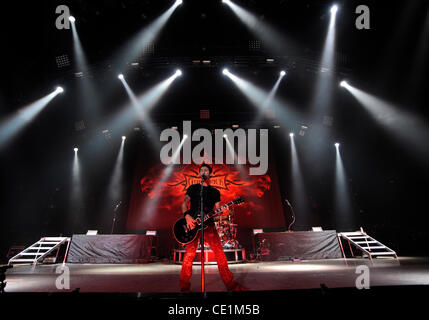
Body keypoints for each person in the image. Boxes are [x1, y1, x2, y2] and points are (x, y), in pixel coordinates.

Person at [179, 163, 246, 292]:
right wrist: (187, 216)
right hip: (192, 225)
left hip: (209, 225)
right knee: (189, 256)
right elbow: (184, 203)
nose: (204, 171)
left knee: (220, 254)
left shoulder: (215, 191)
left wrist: (225, 211)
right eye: (202, 170)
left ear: (210, 174)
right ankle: (184, 287)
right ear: (199, 174)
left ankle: (231, 285)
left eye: (206, 170)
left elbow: (217, 208)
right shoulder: (192, 188)